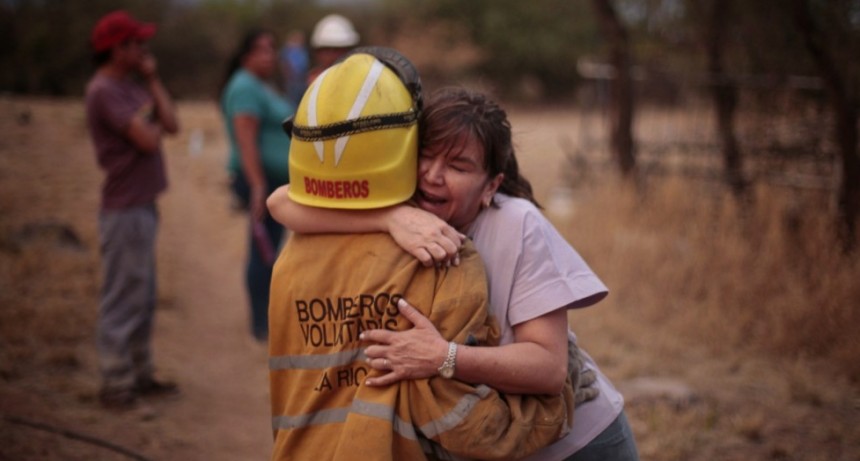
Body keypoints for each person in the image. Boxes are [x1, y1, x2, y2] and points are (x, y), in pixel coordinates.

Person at [268, 87, 640, 460]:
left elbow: (548, 368)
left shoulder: (517, 223)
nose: (433, 175)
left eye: (458, 167)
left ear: (490, 185)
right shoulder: (401, 205)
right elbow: (281, 201)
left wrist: (443, 356)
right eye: (424, 156)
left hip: (576, 446)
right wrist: (391, 217)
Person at [85, 10, 180, 409]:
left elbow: (170, 125)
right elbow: (147, 140)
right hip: (123, 209)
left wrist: (153, 80)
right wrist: (151, 128)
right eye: (136, 43)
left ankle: (139, 373)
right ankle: (115, 381)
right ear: (116, 48)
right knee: (123, 295)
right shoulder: (103, 90)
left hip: (141, 205)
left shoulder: (131, 86)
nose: (143, 49)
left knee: (142, 294)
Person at [218, 29, 295, 341]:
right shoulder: (245, 87)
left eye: (271, 48)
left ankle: (266, 316)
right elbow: (245, 138)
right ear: (245, 55)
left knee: (270, 248)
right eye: (262, 50)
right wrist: (257, 185)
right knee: (263, 250)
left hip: (271, 181)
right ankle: (261, 324)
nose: (269, 55)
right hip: (262, 183)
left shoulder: (260, 84)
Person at [306, 13, 360, 84]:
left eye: (338, 49)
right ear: (317, 53)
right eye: (327, 50)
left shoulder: (361, 79)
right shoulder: (313, 82)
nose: (333, 56)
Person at [279, 30, 309, 105]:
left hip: (302, 80)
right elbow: (284, 64)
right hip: (292, 81)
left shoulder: (302, 50)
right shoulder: (288, 50)